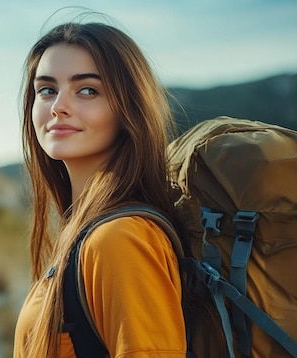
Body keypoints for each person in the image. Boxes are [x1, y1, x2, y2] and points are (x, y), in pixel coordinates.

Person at [13, 19, 187, 358]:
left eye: (87, 90)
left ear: (128, 110)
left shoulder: (119, 239)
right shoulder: (85, 231)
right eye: (46, 89)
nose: (58, 106)